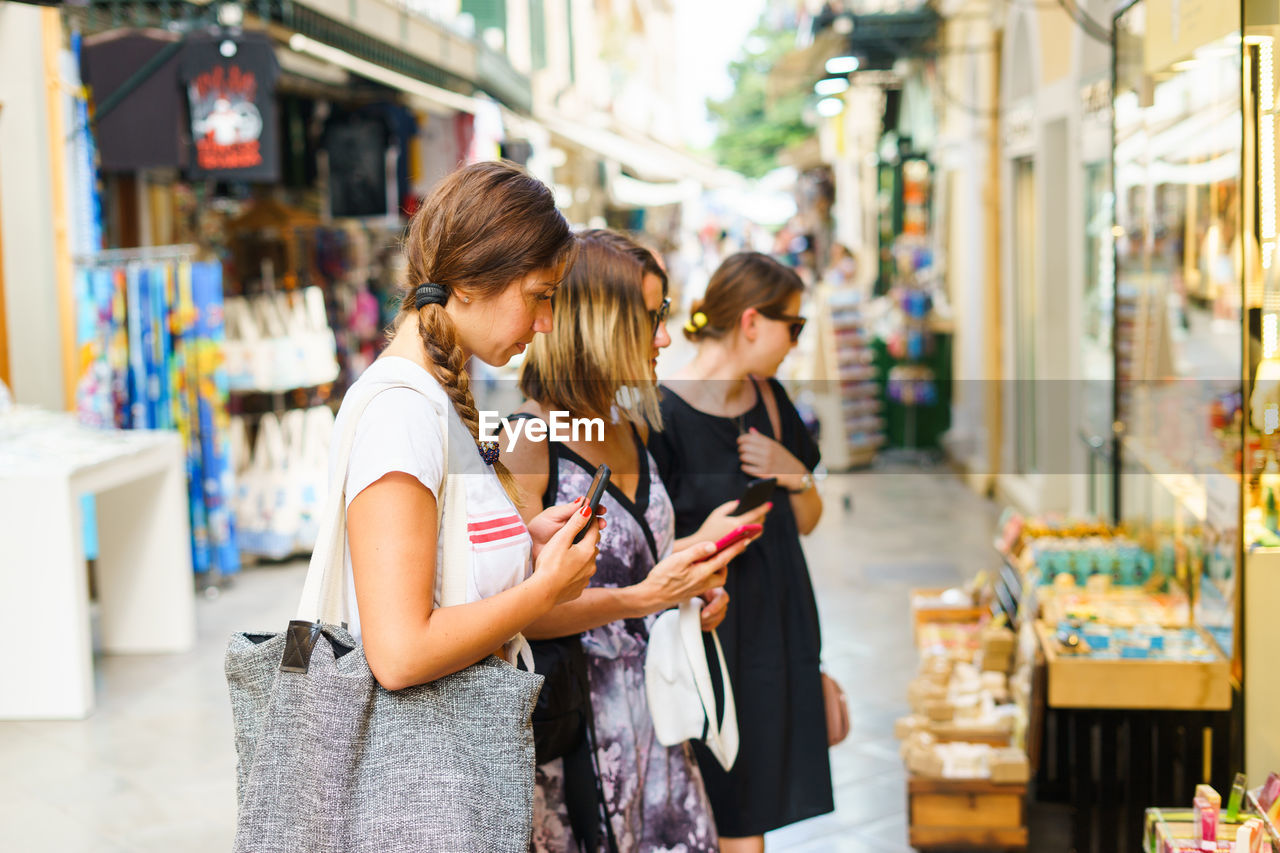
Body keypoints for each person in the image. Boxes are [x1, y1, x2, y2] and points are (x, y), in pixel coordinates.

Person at [502, 230, 769, 852]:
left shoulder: (627, 429)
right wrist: (647, 598)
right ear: (601, 323)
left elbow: (634, 570)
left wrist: (688, 585)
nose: (665, 337)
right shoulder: (527, 440)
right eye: (653, 318)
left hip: (658, 728)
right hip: (578, 742)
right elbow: (515, 615)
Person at [336, 161, 602, 699]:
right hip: (420, 777)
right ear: (467, 282)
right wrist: (545, 589)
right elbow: (399, 654)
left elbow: (438, 580)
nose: (546, 322)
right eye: (539, 295)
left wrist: (523, 548)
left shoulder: (431, 399)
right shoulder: (402, 413)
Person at [648, 252, 832, 852]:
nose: (796, 343)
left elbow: (807, 520)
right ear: (752, 322)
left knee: (753, 805)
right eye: (793, 327)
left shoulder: (771, 400)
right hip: (713, 633)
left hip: (778, 626)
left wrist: (793, 474)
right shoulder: (661, 415)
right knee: (729, 805)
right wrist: (707, 538)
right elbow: (642, 549)